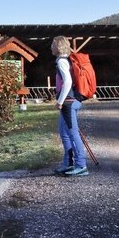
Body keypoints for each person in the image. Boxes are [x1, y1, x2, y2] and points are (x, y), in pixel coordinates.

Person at [52, 36, 88, 176]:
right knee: (64, 133)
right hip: (72, 100)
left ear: (58, 46)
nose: (51, 47)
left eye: (53, 44)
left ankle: (81, 165)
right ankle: (68, 163)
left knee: (73, 134)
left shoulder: (62, 61)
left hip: (68, 102)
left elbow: (67, 82)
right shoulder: (67, 60)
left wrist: (60, 102)